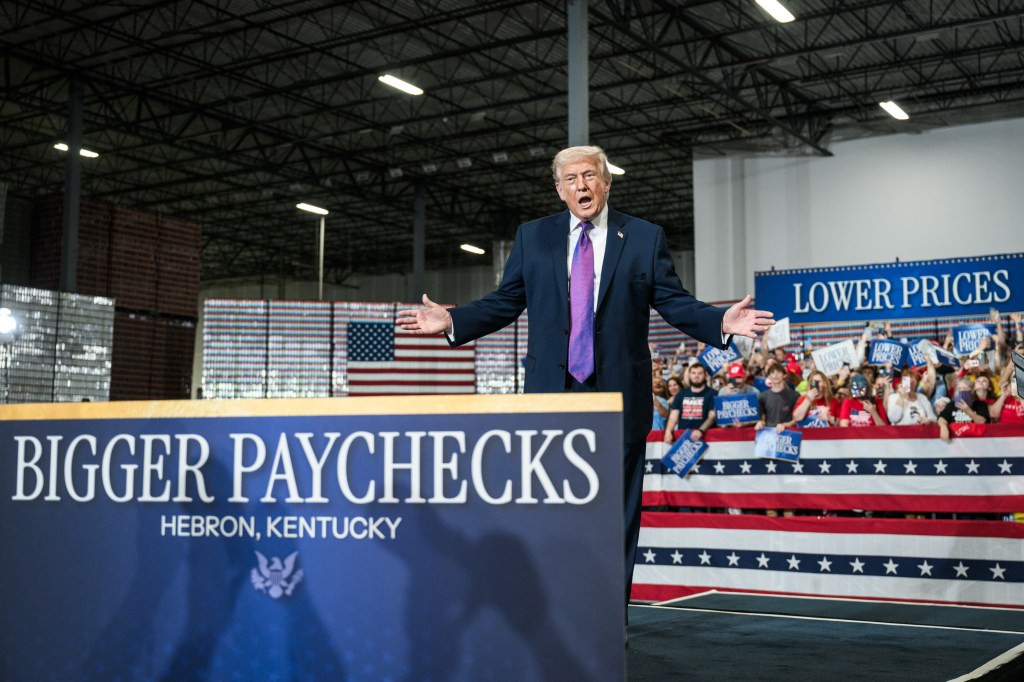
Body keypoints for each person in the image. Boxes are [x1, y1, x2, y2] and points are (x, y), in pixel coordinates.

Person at [396, 145, 774, 614]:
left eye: (589, 176)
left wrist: (720, 323)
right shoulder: (534, 237)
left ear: (606, 182)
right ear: (559, 189)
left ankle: (607, 623)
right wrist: (453, 321)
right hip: (551, 400)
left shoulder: (642, 237)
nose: (581, 186)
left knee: (616, 517)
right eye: (571, 179)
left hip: (618, 398)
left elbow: (674, 302)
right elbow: (505, 301)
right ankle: (554, 617)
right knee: (550, 512)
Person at [662, 363, 717, 443]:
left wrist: (700, 431)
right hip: (683, 436)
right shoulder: (681, 394)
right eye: (693, 373)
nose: (696, 376)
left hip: (707, 437)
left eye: (700, 373)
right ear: (689, 375)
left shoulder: (713, 393)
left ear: (705, 375)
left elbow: (712, 416)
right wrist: (668, 432)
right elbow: (673, 416)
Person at [937, 377, 990, 442]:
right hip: (956, 442)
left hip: (976, 441)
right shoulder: (952, 405)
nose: (962, 391)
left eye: (965, 388)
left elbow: (983, 422)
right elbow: (942, 417)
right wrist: (943, 426)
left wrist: (968, 411)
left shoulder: (980, 404)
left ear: (972, 391)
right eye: (959, 389)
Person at [755, 362, 799, 432]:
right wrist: (760, 423)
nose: (775, 375)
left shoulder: (794, 395)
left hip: (789, 433)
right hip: (769, 434)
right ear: (768, 376)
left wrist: (785, 425)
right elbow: (763, 419)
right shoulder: (762, 396)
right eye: (772, 372)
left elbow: (797, 419)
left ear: (784, 375)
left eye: (778, 372)